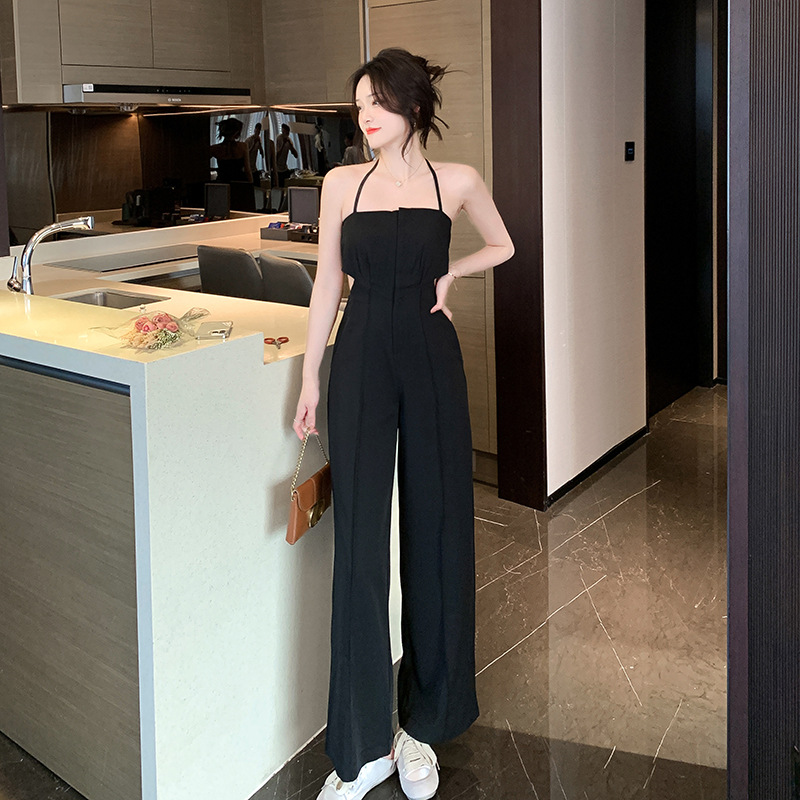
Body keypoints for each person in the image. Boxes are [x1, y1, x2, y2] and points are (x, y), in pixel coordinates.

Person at [292, 48, 514, 800]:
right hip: (359, 356)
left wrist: (454, 273)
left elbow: (504, 243)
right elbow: (328, 280)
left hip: (430, 357)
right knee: (358, 544)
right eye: (359, 105)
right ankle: (359, 750)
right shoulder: (340, 183)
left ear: (414, 106)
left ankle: (422, 726)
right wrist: (310, 375)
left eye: (378, 103)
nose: (365, 117)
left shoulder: (458, 181)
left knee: (438, 530)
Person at [210, 117, 252, 183]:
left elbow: (201, 165)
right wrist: (251, 184)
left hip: (222, 183)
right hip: (239, 183)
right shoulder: (243, 146)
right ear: (236, 132)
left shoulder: (215, 148)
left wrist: (217, 169)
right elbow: (247, 170)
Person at [275, 122, 299, 187]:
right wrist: (283, 144)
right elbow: (277, 155)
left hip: (284, 168)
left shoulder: (289, 140)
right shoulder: (279, 138)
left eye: (286, 133)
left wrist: (290, 145)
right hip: (278, 169)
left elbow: (296, 155)